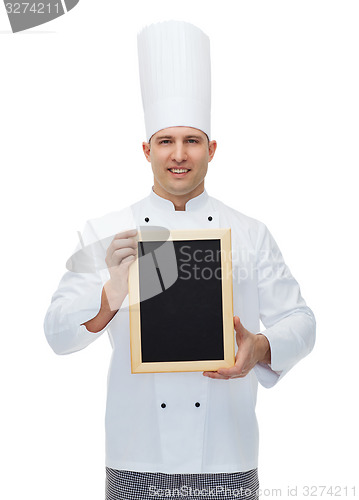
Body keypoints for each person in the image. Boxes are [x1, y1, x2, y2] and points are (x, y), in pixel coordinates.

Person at [44, 20, 316, 500]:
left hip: (227, 457)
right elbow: (57, 333)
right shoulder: (106, 230)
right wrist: (109, 296)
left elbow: (302, 320)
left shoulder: (249, 232)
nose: (179, 155)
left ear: (211, 150)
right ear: (146, 149)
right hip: (136, 456)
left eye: (192, 141)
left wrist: (262, 346)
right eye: (166, 141)